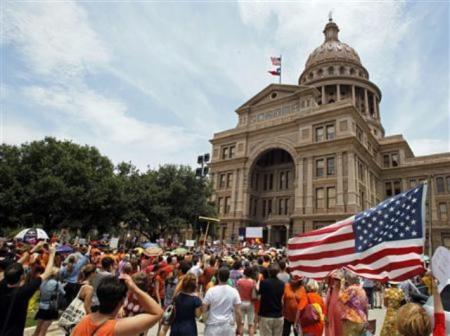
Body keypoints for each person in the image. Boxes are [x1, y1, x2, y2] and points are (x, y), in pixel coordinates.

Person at [72, 274, 163, 336]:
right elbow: (157, 313)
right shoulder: (118, 328)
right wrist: (134, 288)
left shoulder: (83, 321)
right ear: (122, 301)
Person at [0, 243, 56, 336]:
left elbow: (15, 266)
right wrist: (52, 253)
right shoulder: (24, 291)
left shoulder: (2, 284)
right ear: (22, 277)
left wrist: (33, 250)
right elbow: (47, 273)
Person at [203, 267, 243, 336]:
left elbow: (204, 308)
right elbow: (238, 312)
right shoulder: (234, 291)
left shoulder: (211, 291)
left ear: (218, 277)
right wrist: (239, 327)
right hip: (227, 327)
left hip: (212, 326)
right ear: (228, 278)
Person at [33, 266, 65, 336]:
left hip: (41, 306)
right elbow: (63, 293)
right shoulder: (57, 283)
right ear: (56, 274)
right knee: (44, 330)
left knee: (38, 329)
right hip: (51, 307)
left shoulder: (42, 281)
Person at [258, 264, 285, 336]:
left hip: (266, 315)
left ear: (269, 272)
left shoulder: (264, 283)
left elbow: (259, 293)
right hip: (278, 314)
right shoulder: (282, 284)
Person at [339, 271, 368, 336]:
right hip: (361, 319)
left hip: (351, 319)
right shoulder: (362, 290)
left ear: (350, 279)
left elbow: (341, 298)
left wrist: (342, 285)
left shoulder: (351, 289)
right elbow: (366, 306)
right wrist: (366, 320)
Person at [236, 266, 257, 336]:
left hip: (241, 302)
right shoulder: (253, 282)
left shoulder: (239, 281)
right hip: (250, 303)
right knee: (251, 324)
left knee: (241, 323)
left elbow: (237, 292)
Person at [325, 270, 344, 336]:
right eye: (335, 279)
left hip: (341, 316)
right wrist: (325, 316)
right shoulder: (331, 289)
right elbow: (326, 303)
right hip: (331, 316)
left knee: (340, 332)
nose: (336, 281)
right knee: (331, 332)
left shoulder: (344, 290)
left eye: (338, 279)